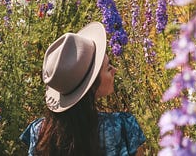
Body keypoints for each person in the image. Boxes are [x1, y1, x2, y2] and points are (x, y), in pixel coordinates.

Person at [20, 22, 146, 156]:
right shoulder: (122, 129)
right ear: (91, 86)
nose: (115, 70)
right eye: (109, 68)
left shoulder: (40, 133)